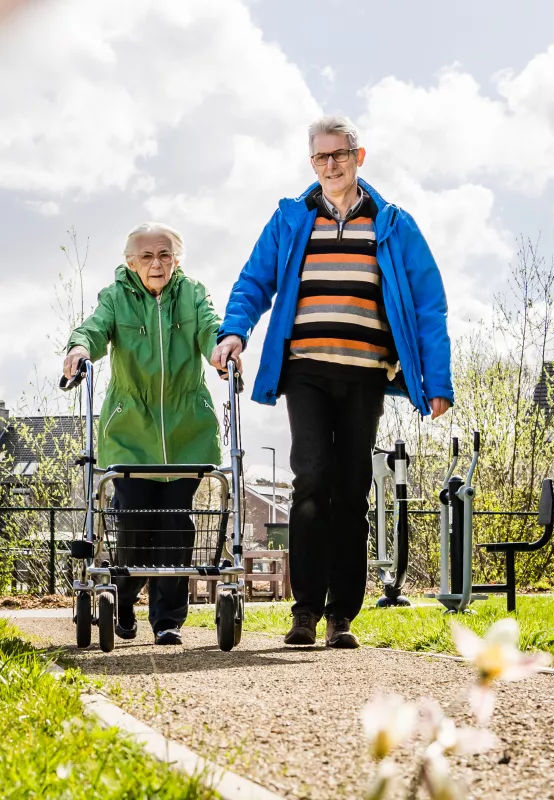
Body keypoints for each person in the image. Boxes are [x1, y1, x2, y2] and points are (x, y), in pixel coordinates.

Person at [211, 115, 453, 649]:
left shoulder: (392, 223)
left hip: (365, 372)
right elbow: (255, 280)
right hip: (307, 371)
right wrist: (234, 333)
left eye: (339, 154)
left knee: (351, 489)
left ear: (358, 156)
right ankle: (304, 613)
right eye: (319, 157)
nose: (330, 165)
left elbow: (428, 303)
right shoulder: (292, 220)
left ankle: (342, 615)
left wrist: (436, 380)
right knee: (311, 480)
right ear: (311, 162)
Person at [64, 222, 222, 646]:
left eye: (165, 255)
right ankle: (122, 596)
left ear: (177, 259)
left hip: (187, 430)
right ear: (130, 263)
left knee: (175, 525)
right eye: (148, 256)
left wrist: (222, 349)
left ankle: (167, 620)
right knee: (133, 523)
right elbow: (94, 329)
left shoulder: (193, 294)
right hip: (130, 432)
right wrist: (79, 348)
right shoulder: (116, 298)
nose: (157, 264)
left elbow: (211, 328)